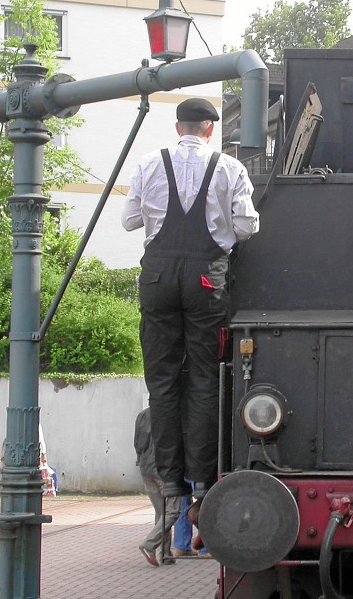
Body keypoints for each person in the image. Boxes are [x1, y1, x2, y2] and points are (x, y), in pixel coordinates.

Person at [121, 98, 259, 500]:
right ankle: (201, 481)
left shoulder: (149, 164)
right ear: (210, 129)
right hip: (205, 279)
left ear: (178, 128)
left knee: (161, 382)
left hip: (158, 277)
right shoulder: (230, 168)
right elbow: (247, 226)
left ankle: (169, 480)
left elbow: (129, 220)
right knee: (204, 378)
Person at [134, 406, 181, 566]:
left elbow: (137, 443)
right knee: (172, 512)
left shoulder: (141, 415)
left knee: (162, 513)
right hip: (165, 470)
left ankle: (166, 554)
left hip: (145, 469)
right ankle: (149, 544)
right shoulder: (172, 413)